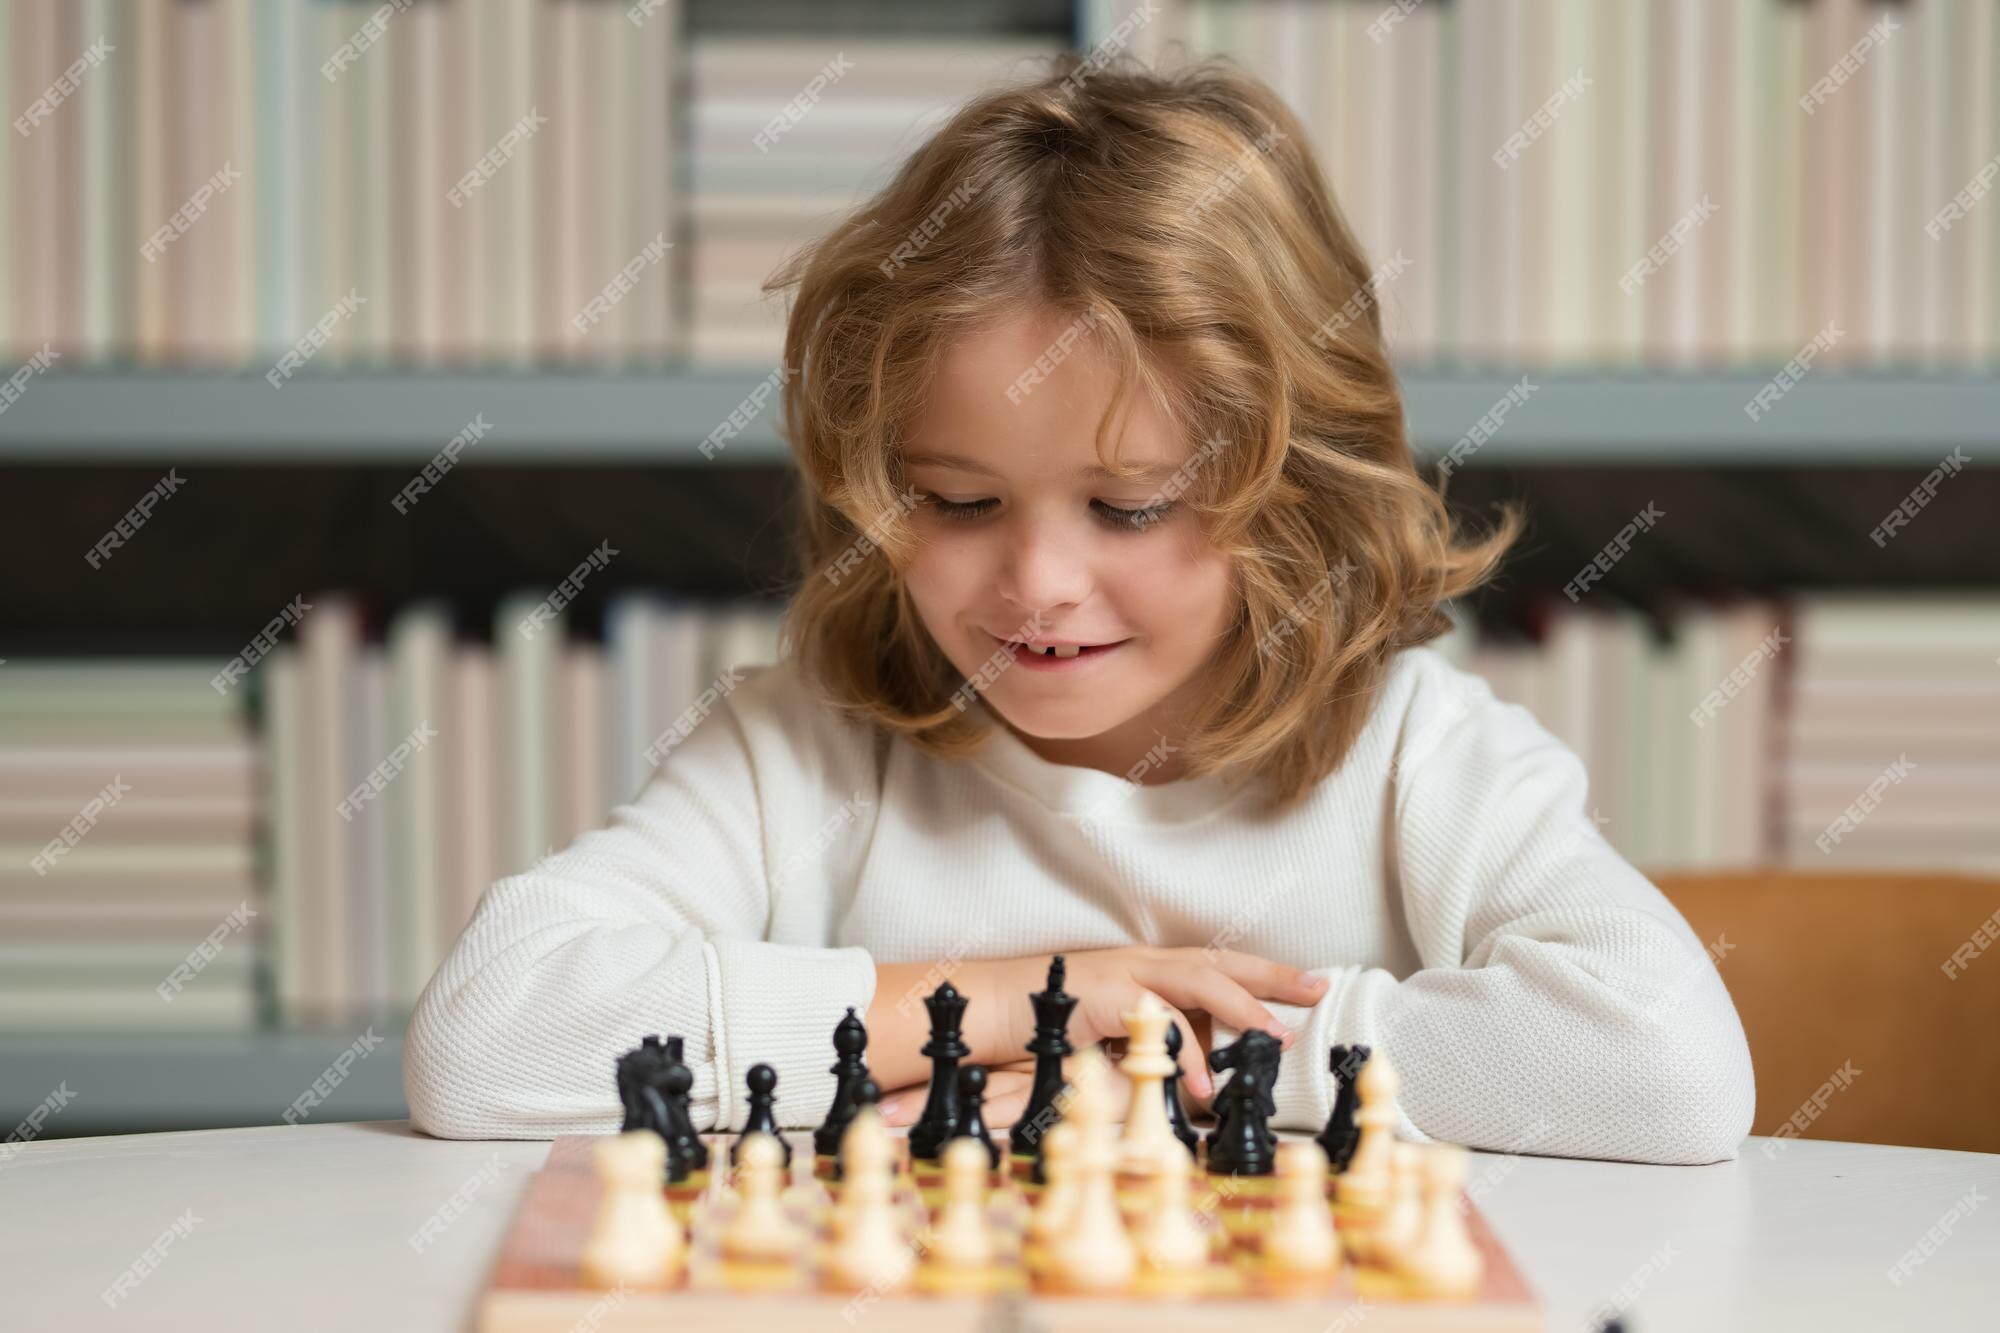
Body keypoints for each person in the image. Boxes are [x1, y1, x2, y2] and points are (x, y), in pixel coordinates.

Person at [404, 55, 1753, 1166]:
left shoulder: (1418, 754)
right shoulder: (807, 750)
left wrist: (1191, 1052)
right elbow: (486, 1036)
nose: (1038, 583)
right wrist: (1030, 997)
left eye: (1130, 506)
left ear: (1292, 491)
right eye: (956, 499)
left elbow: (1671, 1070)